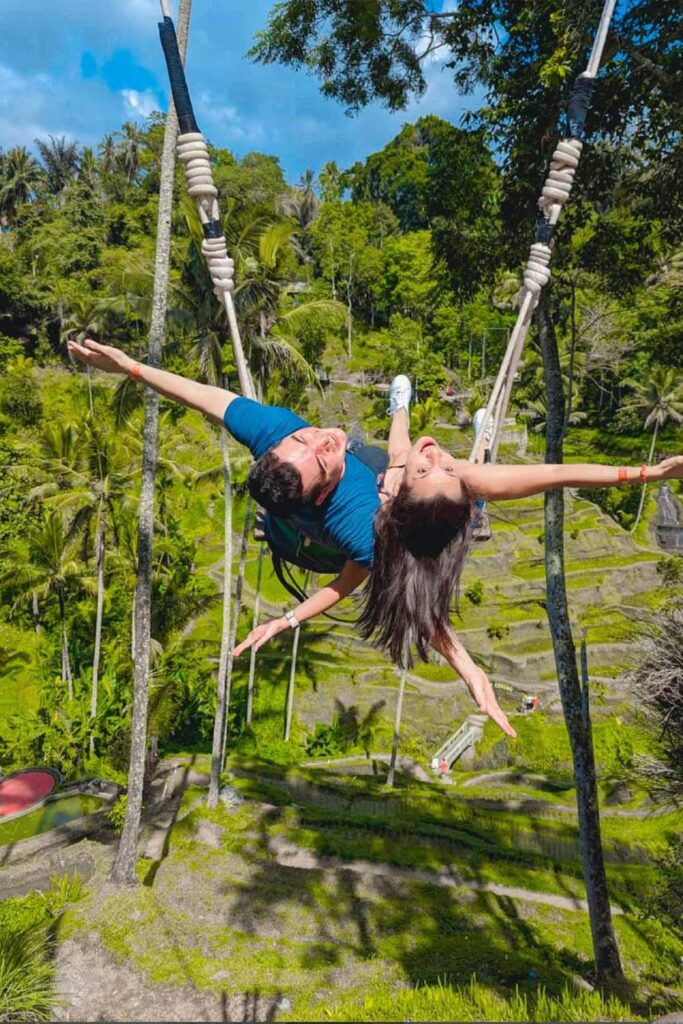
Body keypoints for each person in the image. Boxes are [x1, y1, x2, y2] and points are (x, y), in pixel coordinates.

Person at [66, 339, 515, 738]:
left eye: (307, 437)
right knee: (450, 501)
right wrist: (472, 672)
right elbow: (402, 605)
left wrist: (131, 367)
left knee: (397, 457)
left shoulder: (274, 435)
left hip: (342, 499)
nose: (322, 438)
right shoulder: (360, 526)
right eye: (320, 458)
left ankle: (399, 406)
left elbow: (205, 398)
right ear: (322, 491)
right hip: (314, 548)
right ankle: (479, 460)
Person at [359, 384, 683, 671]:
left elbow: (560, 474)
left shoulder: (398, 488)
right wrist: (650, 473)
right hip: (461, 497)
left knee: (406, 453)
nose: (434, 454)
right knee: (450, 463)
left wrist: (651, 473)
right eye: (441, 466)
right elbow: (558, 475)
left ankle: (424, 418)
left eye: (428, 469)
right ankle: (454, 429)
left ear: (398, 497)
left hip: (447, 501)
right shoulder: (462, 479)